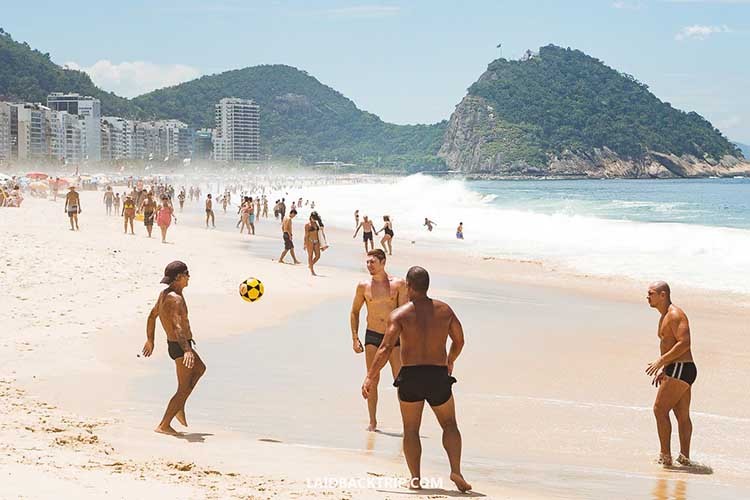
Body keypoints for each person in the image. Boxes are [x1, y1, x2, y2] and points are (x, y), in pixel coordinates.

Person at [361, 266, 471, 493]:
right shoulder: (444, 310)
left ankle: (415, 479)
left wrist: (370, 377)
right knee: (450, 425)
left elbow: (385, 348)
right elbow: (459, 340)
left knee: (411, 429)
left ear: (409, 287)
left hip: (411, 375)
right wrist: (450, 360)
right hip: (437, 375)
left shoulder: (400, 315)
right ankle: (456, 471)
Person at [142, 261, 206, 436]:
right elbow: (178, 327)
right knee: (183, 388)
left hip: (177, 344)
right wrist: (187, 350)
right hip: (179, 345)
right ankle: (164, 424)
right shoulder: (175, 299)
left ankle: (180, 406)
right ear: (179, 277)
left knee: (200, 369)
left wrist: (150, 340)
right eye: (187, 274)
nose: (189, 277)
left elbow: (152, 316)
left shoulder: (165, 294)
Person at [350, 249, 407, 431]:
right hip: (372, 335)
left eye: (373, 262)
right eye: (367, 262)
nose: (369, 266)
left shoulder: (398, 284)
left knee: (400, 380)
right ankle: (372, 422)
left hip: (393, 338)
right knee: (372, 378)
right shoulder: (363, 286)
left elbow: (405, 313)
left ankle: (408, 423)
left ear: (383, 262)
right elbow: (355, 311)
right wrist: (355, 338)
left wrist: (408, 341)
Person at [645, 281, 697, 467]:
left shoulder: (675, 315)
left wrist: (661, 362)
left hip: (681, 367)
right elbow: (669, 344)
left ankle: (665, 457)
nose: (647, 297)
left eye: (651, 293)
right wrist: (665, 369)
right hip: (679, 368)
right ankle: (684, 458)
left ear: (663, 295)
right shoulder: (664, 316)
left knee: (659, 410)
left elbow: (684, 343)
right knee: (682, 415)